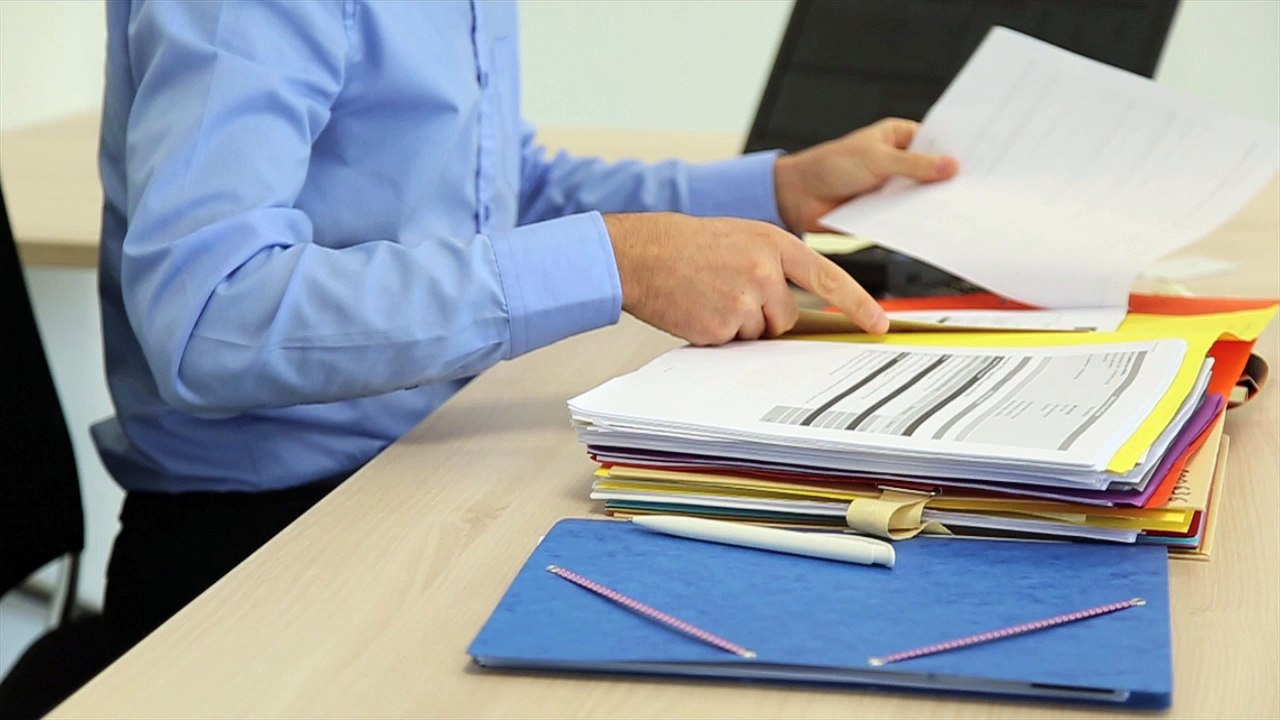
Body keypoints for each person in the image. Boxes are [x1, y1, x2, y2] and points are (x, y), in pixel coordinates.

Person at [93, 0, 958, 657]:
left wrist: (775, 192)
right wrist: (617, 262)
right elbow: (209, 317)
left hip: (431, 462)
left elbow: (500, 194)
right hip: (257, 547)